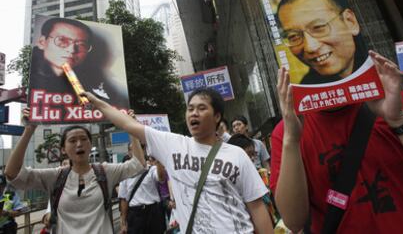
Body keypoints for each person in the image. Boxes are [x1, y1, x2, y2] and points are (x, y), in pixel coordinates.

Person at [82, 87, 273, 234]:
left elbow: (256, 207)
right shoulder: (172, 144)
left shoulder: (236, 155)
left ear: (217, 116)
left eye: (201, 108)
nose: (193, 113)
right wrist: (98, 103)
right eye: (190, 109)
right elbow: (127, 124)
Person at [270, 51, 403, 233]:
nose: (314, 47)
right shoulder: (287, 132)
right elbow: (294, 221)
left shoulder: (398, 104)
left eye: (321, 27)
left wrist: (399, 120)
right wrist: (291, 141)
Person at [4, 109, 145, 234]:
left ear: (90, 145)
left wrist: (130, 126)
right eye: (72, 140)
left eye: (84, 139)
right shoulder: (54, 176)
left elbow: (138, 164)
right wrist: (28, 130)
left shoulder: (105, 171)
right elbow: (12, 174)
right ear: (63, 149)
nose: (79, 144)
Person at [277, 0, 368, 84]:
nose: (310, 47)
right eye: (293, 36)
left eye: (318, 27)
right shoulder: (307, 88)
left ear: (350, 21)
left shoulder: (381, 63)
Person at [29, 17, 128, 107]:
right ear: (42, 42)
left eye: (81, 45)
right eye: (62, 40)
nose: (72, 50)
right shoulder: (33, 83)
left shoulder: (95, 85)